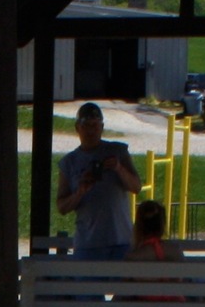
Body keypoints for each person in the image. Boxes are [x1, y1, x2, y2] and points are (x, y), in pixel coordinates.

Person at [55, 102, 141, 258]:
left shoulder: (118, 151)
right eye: (86, 125)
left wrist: (118, 168)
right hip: (88, 245)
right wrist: (80, 192)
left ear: (102, 127)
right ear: (77, 128)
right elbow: (61, 206)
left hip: (120, 242)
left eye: (95, 125)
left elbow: (136, 187)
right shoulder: (69, 162)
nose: (91, 131)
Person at [121, 198, 186, 307]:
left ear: (138, 226)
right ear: (163, 225)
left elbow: (123, 296)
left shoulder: (133, 257)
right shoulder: (175, 251)